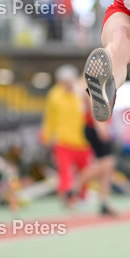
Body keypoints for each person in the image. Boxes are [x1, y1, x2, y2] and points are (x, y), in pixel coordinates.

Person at [41, 65, 92, 208]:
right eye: (64, 81)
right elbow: (49, 117)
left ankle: (82, 197)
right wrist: (46, 136)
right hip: (63, 141)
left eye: (70, 80)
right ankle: (66, 198)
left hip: (83, 141)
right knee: (65, 172)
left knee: (85, 171)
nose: (67, 84)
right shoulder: (54, 95)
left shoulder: (82, 92)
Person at [69, 96, 117, 216]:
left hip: (98, 127)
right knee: (106, 164)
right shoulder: (95, 84)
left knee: (107, 167)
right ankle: (75, 187)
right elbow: (94, 105)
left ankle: (104, 202)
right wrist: (101, 127)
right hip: (96, 127)